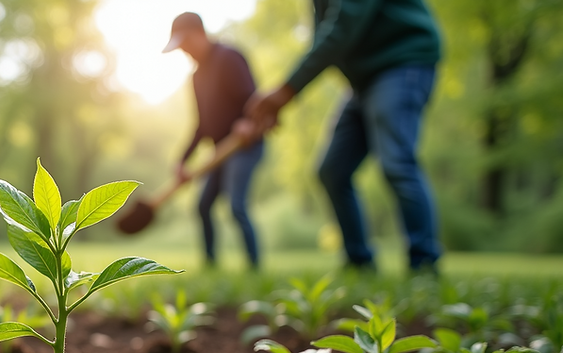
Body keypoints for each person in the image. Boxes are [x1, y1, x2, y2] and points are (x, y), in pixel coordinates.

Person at [243, 0, 442, 272]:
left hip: (402, 61)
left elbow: (341, 30)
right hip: (364, 82)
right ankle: (359, 261)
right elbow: (324, 42)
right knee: (332, 170)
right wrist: (284, 96)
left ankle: (424, 263)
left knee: (397, 161)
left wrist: (286, 90)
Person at [164, 12, 264, 270]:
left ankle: (254, 268)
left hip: (244, 146)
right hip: (220, 151)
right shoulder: (197, 77)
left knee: (236, 205)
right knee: (203, 205)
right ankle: (210, 264)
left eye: (185, 43)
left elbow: (252, 98)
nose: (184, 51)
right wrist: (183, 160)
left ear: (199, 34)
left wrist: (247, 120)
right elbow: (202, 125)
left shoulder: (229, 58)